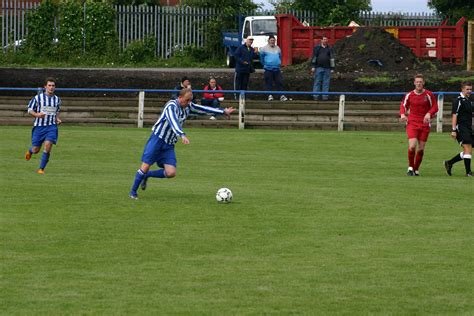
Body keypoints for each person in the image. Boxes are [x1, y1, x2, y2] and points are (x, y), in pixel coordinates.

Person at [129, 88, 235, 199]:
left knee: (171, 173)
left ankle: (148, 175)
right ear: (180, 98)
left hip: (169, 144)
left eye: (190, 100)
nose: (189, 103)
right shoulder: (171, 106)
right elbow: (173, 120)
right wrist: (182, 134)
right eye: (187, 100)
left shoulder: (188, 106)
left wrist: (223, 111)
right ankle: (133, 192)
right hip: (157, 140)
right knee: (145, 167)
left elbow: (202, 109)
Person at [400, 74, 438, 176]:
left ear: (423, 83)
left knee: (421, 148)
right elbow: (403, 105)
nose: (419, 83)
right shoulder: (410, 95)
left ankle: (416, 169)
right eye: (417, 82)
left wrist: (429, 113)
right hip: (412, 122)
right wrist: (403, 114)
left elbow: (435, 106)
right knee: (412, 146)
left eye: (420, 82)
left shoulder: (429, 94)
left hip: (425, 124)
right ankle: (410, 167)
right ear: (414, 83)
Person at [24, 77, 62, 174]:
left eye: (53, 86)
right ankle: (30, 151)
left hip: (52, 127)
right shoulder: (38, 98)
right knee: (36, 149)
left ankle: (41, 169)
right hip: (39, 127)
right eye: (49, 85)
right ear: (45, 86)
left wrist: (57, 119)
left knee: (48, 145)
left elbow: (57, 111)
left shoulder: (57, 99)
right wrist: (37, 115)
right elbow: (29, 110)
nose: (51, 87)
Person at [444, 81, 473, 177]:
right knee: (467, 148)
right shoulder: (458, 100)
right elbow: (454, 115)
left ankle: (449, 163)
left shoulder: (469, 100)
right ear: (462, 89)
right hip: (460, 127)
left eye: (470, 89)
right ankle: (468, 172)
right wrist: (453, 130)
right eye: (467, 89)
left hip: (469, 128)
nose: (469, 91)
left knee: (468, 151)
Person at [259, 35, 288, 102]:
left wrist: (278, 63)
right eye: (271, 40)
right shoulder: (264, 48)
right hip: (268, 69)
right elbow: (261, 58)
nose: (272, 42)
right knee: (269, 82)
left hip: (277, 69)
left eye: (273, 40)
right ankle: (270, 95)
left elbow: (280, 56)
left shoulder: (278, 48)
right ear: (268, 41)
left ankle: (281, 96)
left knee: (279, 82)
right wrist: (265, 64)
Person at [310, 36, 335, 101]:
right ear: (321, 40)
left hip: (327, 68)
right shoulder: (317, 48)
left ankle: (325, 97)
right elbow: (314, 57)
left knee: (326, 83)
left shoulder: (329, 48)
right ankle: (315, 96)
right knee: (317, 82)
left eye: (326, 39)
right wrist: (313, 66)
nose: (325, 40)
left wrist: (332, 68)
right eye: (324, 39)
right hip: (318, 67)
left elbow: (332, 58)